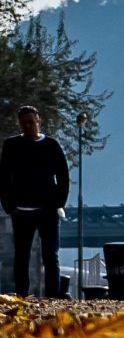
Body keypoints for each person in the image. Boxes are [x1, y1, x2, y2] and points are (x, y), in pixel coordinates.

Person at [2, 106, 71, 297]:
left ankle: (52, 295)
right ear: (20, 124)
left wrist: (58, 203)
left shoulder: (51, 145)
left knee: (51, 255)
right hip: (21, 211)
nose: (27, 126)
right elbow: (4, 178)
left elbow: (63, 176)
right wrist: (10, 207)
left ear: (38, 121)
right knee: (21, 254)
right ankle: (21, 294)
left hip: (47, 210)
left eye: (31, 122)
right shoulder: (11, 146)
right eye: (24, 123)